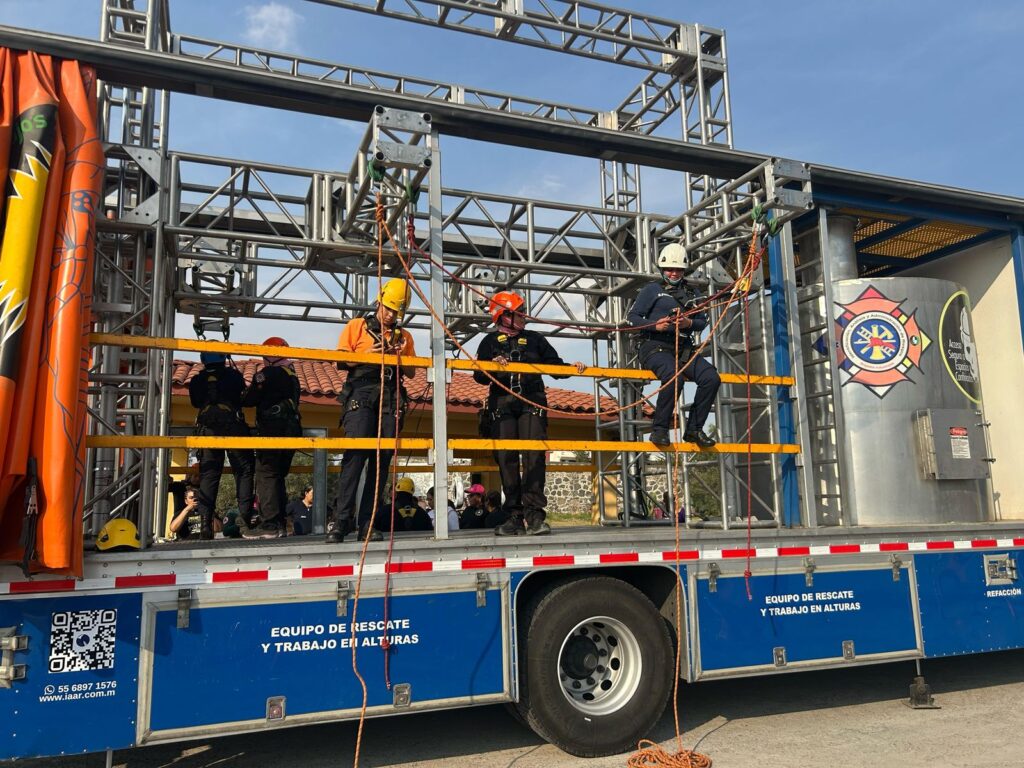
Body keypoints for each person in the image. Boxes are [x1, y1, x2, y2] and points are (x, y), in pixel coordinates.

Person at [474, 291, 586, 536]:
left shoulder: (535, 339)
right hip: (502, 405)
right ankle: (514, 517)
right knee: (507, 459)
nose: (524, 316)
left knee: (534, 457)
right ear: (504, 316)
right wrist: (493, 364)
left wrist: (573, 369)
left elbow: (554, 366)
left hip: (531, 402)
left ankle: (534, 517)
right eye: (519, 313)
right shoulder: (489, 342)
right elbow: (479, 376)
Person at [327, 278, 417, 544]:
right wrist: (368, 353)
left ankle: (367, 522)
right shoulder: (357, 326)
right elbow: (339, 360)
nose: (390, 315)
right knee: (355, 457)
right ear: (379, 302)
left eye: (396, 312)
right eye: (388, 309)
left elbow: (412, 372)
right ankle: (341, 521)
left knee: (381, 462)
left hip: (390, 394)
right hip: (362, 392)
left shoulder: (404, 337)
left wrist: (399, 355)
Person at [626, 243, 721, 448]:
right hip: (654, 346)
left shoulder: (692, 292)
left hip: (683, 347)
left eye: (678, 269)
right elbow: (632, 317)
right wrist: (655, 325)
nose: (674, 273)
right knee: (674, 376)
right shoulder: (652, 290)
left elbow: (702, 322)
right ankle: (659, 430)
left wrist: (688, 323)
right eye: (670, 269)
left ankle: (694, 429)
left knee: (711, 378)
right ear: (662, 269)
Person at [189, 351, 256, 539]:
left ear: (203, 360)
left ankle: (205, 525)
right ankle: (244, 520)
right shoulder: (234, 376)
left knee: (209, 474)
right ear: (224, 358)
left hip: (208, 430)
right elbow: (242, 397)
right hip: (234, 426)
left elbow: (195, 403)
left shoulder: (197, 381)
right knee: (243, 471)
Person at [242, 337, 302, 539]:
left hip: (273, 428)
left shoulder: (267, 374)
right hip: (291, 429)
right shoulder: (292, 374)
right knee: (277, 476)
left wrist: (245, 390)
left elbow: (249, 399)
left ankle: (269, 525)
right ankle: (280, 524)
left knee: (266, 473)